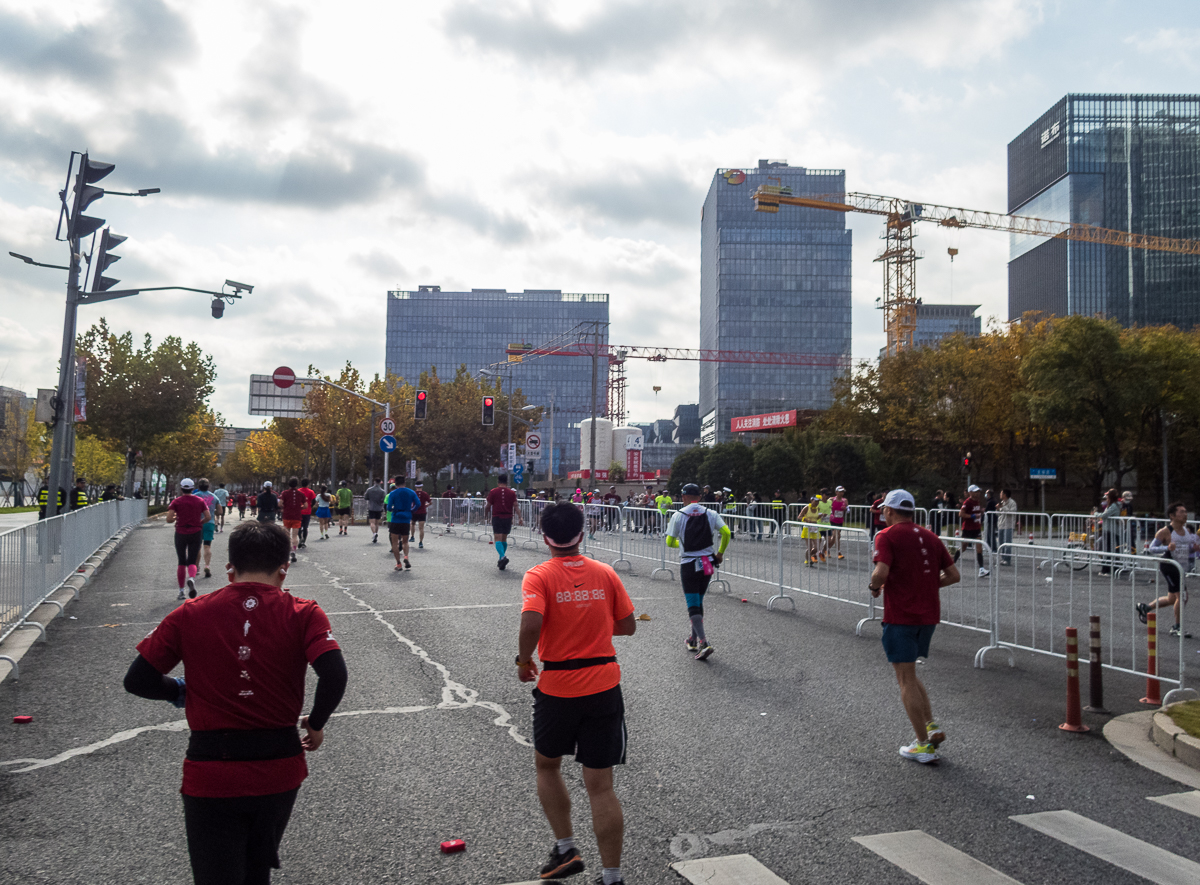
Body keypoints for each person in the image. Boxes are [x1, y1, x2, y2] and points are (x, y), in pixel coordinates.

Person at [122, 521, 347, 885]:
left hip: (212, 769)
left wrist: (180, 690)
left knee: (217, 874)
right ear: (283, 570)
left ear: (229, 570)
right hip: (279, 764)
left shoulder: (189, 613)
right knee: (257, 868)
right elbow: (335, 675)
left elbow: (137, 680)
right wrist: (316, 724)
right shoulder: (304, 612)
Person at [517, 502, 636, 885]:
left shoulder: (538, 575)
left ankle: (566, 848)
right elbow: (628, 626)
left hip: (558, 687)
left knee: (547, 765)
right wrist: (595, 630)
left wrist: (523, 660)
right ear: (582, 534)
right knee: (601, 786)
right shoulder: (605, 572)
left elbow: (532, 620)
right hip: (603, 682)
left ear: (544, 535)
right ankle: (612, 877)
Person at [868, 489, 960, 764]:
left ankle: (923, 745)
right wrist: (928, 585)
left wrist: (874, 587)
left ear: (889, 511)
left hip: (901, 615)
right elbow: (954, 575)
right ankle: (931, 726)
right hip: (928, 615)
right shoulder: (930, 536)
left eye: (884, 510)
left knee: (904, 679)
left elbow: (880, 572)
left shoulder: (886, 535)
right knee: (909, 673)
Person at [665, 483, 731, 661]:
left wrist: (684, 545)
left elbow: (670, 542)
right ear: (700, 497)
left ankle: (704, 642)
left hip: (689, 563)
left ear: (684, 497)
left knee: (692, 604)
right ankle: (692, 639)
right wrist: (719, 553)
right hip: (708, 562)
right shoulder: (711, 513)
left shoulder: (679, 515)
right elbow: (726, 533)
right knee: (699, 600)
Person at [1138, 502, 1198, 638]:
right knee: (1183, 596)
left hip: (1181, 566)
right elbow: (1151, 548)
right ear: (1172, 515)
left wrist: (1194, 549)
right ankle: (1177, 627)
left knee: (1172, 598)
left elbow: (1186, 548)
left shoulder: (1187, 531)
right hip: (1169, 565)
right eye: (1181, 512)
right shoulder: (1165, 531)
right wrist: (1166, 548)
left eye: (1185, 511)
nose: (1185, 514)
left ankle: (1146, 608)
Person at [167, 478, 211, 601]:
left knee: (181, 561)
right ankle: (191, 577)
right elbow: (208, 516)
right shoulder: (200, 501)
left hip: (180, 532)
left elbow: (169, 519)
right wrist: (199, 522)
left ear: (181, 488)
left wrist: (176, 517)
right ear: (192, 488)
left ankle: (181, 591)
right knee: (192, 559)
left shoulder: (176, 502)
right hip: (196, 532)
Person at [485, 474, 522, 571]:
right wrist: (520, 517)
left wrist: (486, 515)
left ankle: (502, 556)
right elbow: (516, 505)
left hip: (497, 516)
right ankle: (501, 559)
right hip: (508, 517)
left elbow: (488, 506)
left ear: (498, 481)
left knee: (497, 538)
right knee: (504, 539)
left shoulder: (493, 492)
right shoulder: (511, 493)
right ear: (507, 482)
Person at [953, 485, 989, 578]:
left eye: (978, 491)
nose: (978, 493)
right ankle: (952, 564)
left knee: (979, 548)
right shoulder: (967, 502)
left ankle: (981, 569)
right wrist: (971, 516)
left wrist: (980, 512)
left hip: (977, 528)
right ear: (970, 492)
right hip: (968, 529)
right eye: (975, 491)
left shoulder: (977, 501)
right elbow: (961, 514)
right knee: (963, 547)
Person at [385, 475, 419, 571]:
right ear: (405, 482)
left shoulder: (393, 493)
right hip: (406, 519)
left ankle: (398, 563)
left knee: (395, 543)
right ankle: (406, 557)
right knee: (405, 541)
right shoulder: (411, 492)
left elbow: (388, 507)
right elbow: (418, 503)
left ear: (395, 484)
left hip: (395, 519)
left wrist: (392, 509)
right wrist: (412, 510)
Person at [194, 479, 219, 579]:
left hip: (197, 523)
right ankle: (207, 566)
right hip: (210, 522)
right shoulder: (214, 496)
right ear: (208, 486)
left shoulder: (195, 496)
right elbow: (220, 511)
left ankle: (196, 567)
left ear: (198, 486)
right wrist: (213, 512)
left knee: (197, 546)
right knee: (207, 546)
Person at [279, 477, 306, 563]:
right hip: (297, 516)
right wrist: (299, 507)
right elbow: (305, 506)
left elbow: (280, 503)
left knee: (287, 535)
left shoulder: (285, 493)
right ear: (297, 484)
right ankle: (294, 551)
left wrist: (284, 507)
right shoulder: (301, 494)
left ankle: (287, 551)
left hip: (287, 516)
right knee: (295, 535)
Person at [1099, 489, 1122, 575]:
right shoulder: (1112, 505)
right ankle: (1105, 569)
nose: (1106, 498)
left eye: (1107, 496)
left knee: (1109, 550)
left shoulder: (1114, 506)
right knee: (1107, 549)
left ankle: (1109, 570)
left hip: (1111, 530)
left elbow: (1104, 515)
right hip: (1108, 529)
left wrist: (1096, 514)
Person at [996, 490, 1018, 566]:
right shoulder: (1002, 502)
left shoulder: (1012, 503)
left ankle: (1007, 559)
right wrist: (998, 509)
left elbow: (1012, 512)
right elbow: (999, 514)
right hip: (1001, 525)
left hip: (1009, 525)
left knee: (1007, 543)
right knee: (1001, 543)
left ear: (1005, 495)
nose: (1000, 494)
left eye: (1001, 493)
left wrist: (1003, 507)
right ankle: (1003, 558)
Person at [364, 479, 386, 544]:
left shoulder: (369, 490)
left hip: (371, 507)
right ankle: (376, 533)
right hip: (379, 508)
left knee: (372, 522)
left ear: (374, 482)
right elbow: (383, 499)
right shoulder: (382, 491)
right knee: (377, 523)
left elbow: (365, 497)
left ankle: (374, 534)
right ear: (380, 482)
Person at [411, 481, 431, 548]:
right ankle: (420, 542)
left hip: (414, 511)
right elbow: (430, 502)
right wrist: (426, 505)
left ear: (416, 486)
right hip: (422, 511)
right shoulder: (425, 494)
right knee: (421, 528)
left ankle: (412, 536)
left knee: (412, 524)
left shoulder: (413, 493)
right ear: (422, 486)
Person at [829, 486, 848, 559]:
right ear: (836, 492)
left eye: (842, 492)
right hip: (832, 520)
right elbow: (825, 505)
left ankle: (826, 549)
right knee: (836, 536)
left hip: (840, 521)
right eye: (840, 491)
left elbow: (847, 509)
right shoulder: (832, 499)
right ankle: (838, 552)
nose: (841, 493)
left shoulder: (845, 500)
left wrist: (845, 509)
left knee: (836, 537)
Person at [297, 479, 316, 549]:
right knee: (305, 527)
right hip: (307, 512)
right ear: (308, 484)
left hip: (299, 511)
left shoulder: (298, 491)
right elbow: (313, 501)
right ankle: (303, 541)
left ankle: (300, 538)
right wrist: (310, 506)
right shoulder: (311, 492)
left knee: (298, 526)